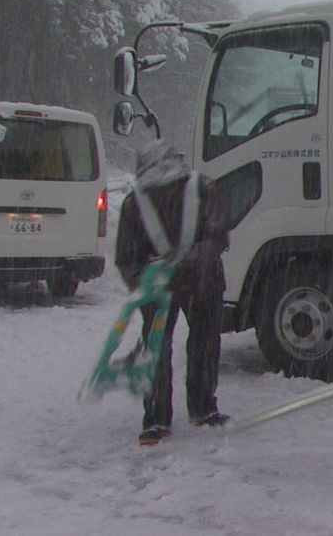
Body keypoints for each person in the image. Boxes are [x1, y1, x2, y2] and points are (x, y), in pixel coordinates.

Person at [115, 140, 231, 445]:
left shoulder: (202, 189)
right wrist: (146, 280)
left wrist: (186, 265)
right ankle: (156, 418)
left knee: (201, 346)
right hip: (160, 288)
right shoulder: (134, 205)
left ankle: (201, 408)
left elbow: (216, 237)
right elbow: (128, 258)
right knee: (158, 349)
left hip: (202, 283)